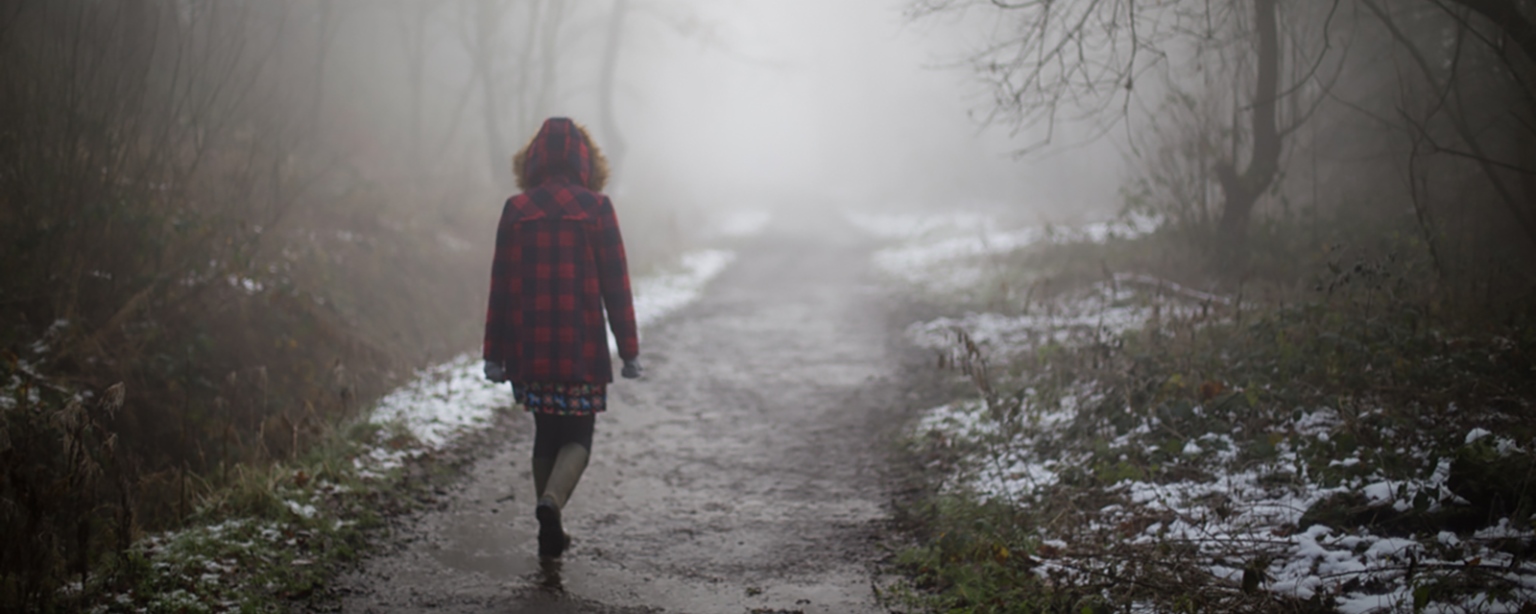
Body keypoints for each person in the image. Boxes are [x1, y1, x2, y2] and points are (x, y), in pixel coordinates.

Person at [482, 117, 641, 559]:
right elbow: (616, 284)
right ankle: (551, 505)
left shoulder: (516, 211)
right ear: (586, 160)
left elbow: (500, 286)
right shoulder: (597, 209)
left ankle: (548, 530)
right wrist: (628, 349)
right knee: (579, 438)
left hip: (528, 350)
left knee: (545, 433)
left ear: (532, 160)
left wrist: (493, 355)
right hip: (581, 347)